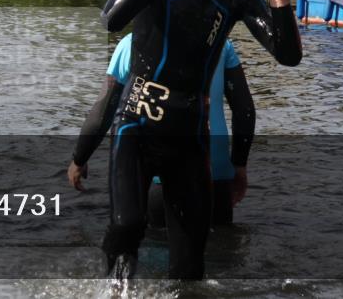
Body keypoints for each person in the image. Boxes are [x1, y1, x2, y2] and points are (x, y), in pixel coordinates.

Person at [87, 0, 301, 282]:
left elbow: (288, 55)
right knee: (127, 224)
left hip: (189, 137)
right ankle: (113, 290)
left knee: (189, 266)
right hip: (137, 124)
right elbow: (111, 19)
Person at [69, 33, 255, 227]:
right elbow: (245, 110)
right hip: (215, 175)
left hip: (158, 176)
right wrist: (239, 166)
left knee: (155, 248)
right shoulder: (220, 43)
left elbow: (103, 112)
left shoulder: (132, 44)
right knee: (222, 251)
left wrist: (79, 158)